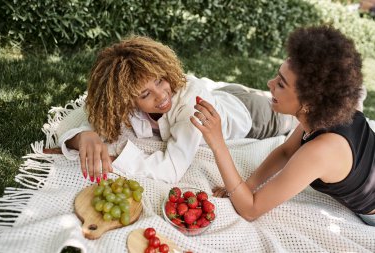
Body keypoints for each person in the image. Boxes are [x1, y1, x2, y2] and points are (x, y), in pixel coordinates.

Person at [190, 25, 375, 226]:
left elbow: (250, 210)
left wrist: (217, 143)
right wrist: (245, 186)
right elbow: (287, 152)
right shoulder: (322, 116)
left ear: (310, 102)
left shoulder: (322, 150)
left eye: (281, 84)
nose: (270, 83)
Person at [57, 36, 295, 184]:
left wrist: (116, 158)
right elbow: (100, 116)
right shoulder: (124, 100)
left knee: (291, 115)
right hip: (221, 93)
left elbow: (170, 169)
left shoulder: (191, 107)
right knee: (213, 91)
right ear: (126, 100)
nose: (161, 95)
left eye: (161, 80)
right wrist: (83, 135)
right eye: (145, 94)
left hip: (252, 115)